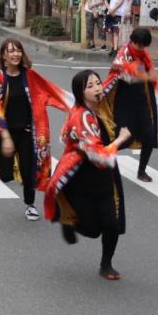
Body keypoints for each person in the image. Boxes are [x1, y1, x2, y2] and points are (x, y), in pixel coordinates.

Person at [45, 70, 132, 280]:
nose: (97, 88)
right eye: (90, 86)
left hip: (105, 176)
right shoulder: (81, 117)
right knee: (91, 228)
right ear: (80, 93)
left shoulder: (100, 110)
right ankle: (68, 221)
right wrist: (121, 140)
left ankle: (106, 264)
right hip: (83, 177)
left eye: (98, 83)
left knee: (112, 222)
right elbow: (97, 155)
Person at [0, 39, 71, 220]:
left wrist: (76, 105)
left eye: (18, 50)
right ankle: (12, 171)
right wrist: (6, 137)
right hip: (5, 133)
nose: (15, 54)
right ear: (4, 55)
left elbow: (52, 93)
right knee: (4, 173)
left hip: (28, 133)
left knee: (30, 172)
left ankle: (30, 204)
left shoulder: (30, 76)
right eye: (11, 51)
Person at [100, 27, 158, 182]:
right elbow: (127, 76)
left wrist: (147, 77)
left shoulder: (144, 55)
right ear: (132, 42)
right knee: (121, 137)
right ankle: (100, 162)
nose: (142, 49)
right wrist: (145, 76)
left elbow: (147, 74)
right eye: (139, 45)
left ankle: (142, 171)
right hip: (124, 100)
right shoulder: (122, 56)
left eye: (144, 46)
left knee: (148, 135)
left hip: (143, 98)